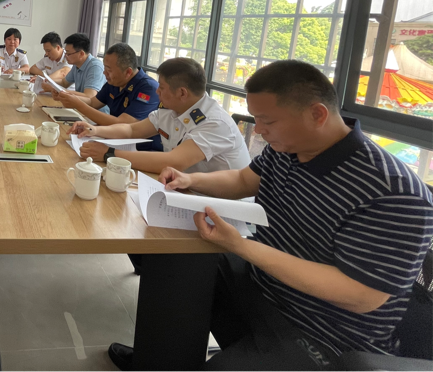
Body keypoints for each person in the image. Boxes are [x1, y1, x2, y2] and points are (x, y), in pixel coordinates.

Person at [107, 60, 433, 372]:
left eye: (268, 121)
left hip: (325, 327)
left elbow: (361, 296)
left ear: (317, 114)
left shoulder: (395, 191)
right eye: (256, 119)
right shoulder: (288, 148)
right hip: (262, 281)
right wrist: (190, 179)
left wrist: (240, 245)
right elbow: (242, 180)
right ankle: (157, 362)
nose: (259, 131)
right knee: (173, 262)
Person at [71, 57, 250, 171]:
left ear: (182, 93)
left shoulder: (214, 122)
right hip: (182, 188)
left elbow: (174, 161)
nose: (157, 92)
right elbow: (132, 130)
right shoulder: (172, 110)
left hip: (218, 204)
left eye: (162, 88)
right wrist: (94, 130)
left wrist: (109, 154)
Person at [56, 43, 162, 150]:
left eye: (109, 70)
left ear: (128, 72)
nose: (104, 73)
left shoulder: (148, 89)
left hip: (140, 149)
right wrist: (68, 97)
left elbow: (122, 123)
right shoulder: (115, 82)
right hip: (113, 139)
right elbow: (93, 102)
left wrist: (78, 105)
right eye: (105, 68)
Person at [46, 32, 106, 98]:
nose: (65, 56)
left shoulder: (95, 67)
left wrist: (61, 92)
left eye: (68, 54)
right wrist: (49, 81)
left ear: (81, 54)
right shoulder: (76, 65)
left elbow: (89, 96)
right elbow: (64, 83)